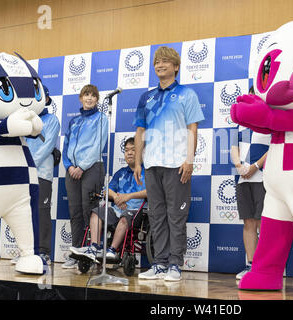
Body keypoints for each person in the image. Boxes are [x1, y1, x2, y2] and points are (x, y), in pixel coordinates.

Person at [133, 46, 204, 281]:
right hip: (152, 165)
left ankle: (175, 264)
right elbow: (140, 130)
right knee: (157, 216)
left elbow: (192, 128)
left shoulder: (187, 94)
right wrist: (137, 163)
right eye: (156, 62)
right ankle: (160, 264)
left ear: (176, 67)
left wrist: (189, 160)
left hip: (177, 164)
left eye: (165, 61)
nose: (160, 65)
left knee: (176, 216)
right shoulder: (147, 97)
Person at [70, 137, 147, 262]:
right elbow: (106, 190)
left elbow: (150, 192)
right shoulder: (120, 173)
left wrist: (128, 197)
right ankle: (94, 247)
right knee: (96, 212)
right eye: (126, 150)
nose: (129, 153)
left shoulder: (147, 172)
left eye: (133, 150)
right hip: (116, 209)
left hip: (136, 212)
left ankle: (112, 250)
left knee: (125, 217)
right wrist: (116, 197)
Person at [62, 84, 108, 268]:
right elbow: (65, 147)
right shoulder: (74, 121)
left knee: (90, 210)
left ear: (97, 99)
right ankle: (75, 252)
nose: (89, 98)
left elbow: (99, 144)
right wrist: (70, 166)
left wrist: (81, 166)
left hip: (92, 168)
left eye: (93, 96)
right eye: (86, 95)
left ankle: (92, 251)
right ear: (80, 98)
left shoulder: (101, 118)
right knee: (75, 212)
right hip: (71, 170)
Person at [230, 86, 269, 280]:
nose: (255, 98)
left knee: (264, 222)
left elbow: (274, 148)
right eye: (252, 95)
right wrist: (239, 166)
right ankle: (251, 265)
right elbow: (233, 147)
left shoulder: (271, 120)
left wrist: (255, 166)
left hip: (263, 177)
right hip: (242, 178)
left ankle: (266, 265)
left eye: (259, 95)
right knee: (248, 222)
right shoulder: (241, 123)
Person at [25, 86, 60, 265]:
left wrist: (30, 164)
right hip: (24, 174)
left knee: (41, 212)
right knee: (24, 213)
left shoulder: (52, 120)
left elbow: (47, 147)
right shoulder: (24, 122)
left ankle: (44, 252)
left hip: (41, 174)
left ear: (46, 99)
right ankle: (27, 252)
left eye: (41, 97)